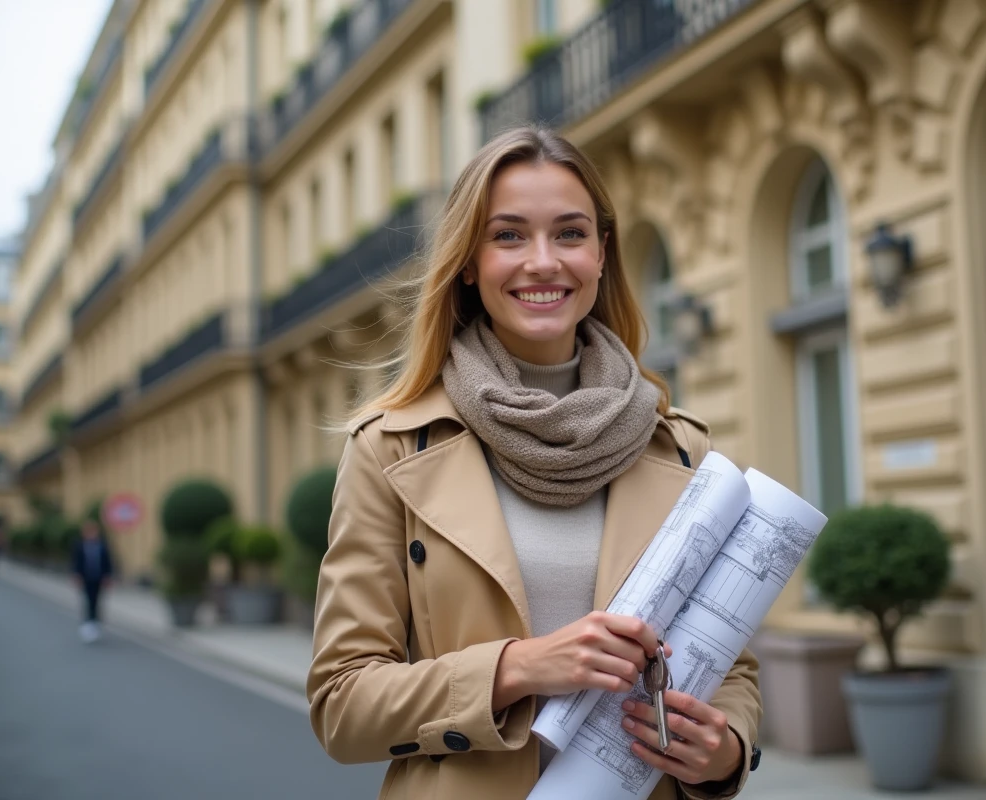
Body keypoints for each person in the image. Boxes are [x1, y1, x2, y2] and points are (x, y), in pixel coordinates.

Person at [307, 126, 761, 800]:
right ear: (468, 260)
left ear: (602, 254)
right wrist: (518, 668)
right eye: (509, 236)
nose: (543, 261)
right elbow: (341, 706)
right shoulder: (391, 448)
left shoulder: (684, 448)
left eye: (571, 234)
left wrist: (724, 750)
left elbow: (730, 668)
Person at [71, 519, 114, 643]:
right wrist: (76, 575)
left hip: (98, 577)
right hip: (86, 578)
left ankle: (96, 622)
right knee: (88, 600)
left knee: (97, 600)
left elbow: (108, 562)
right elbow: (76, 562)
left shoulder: (102, 545)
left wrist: (108, 576)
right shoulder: (80, 546)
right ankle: (88, 623)